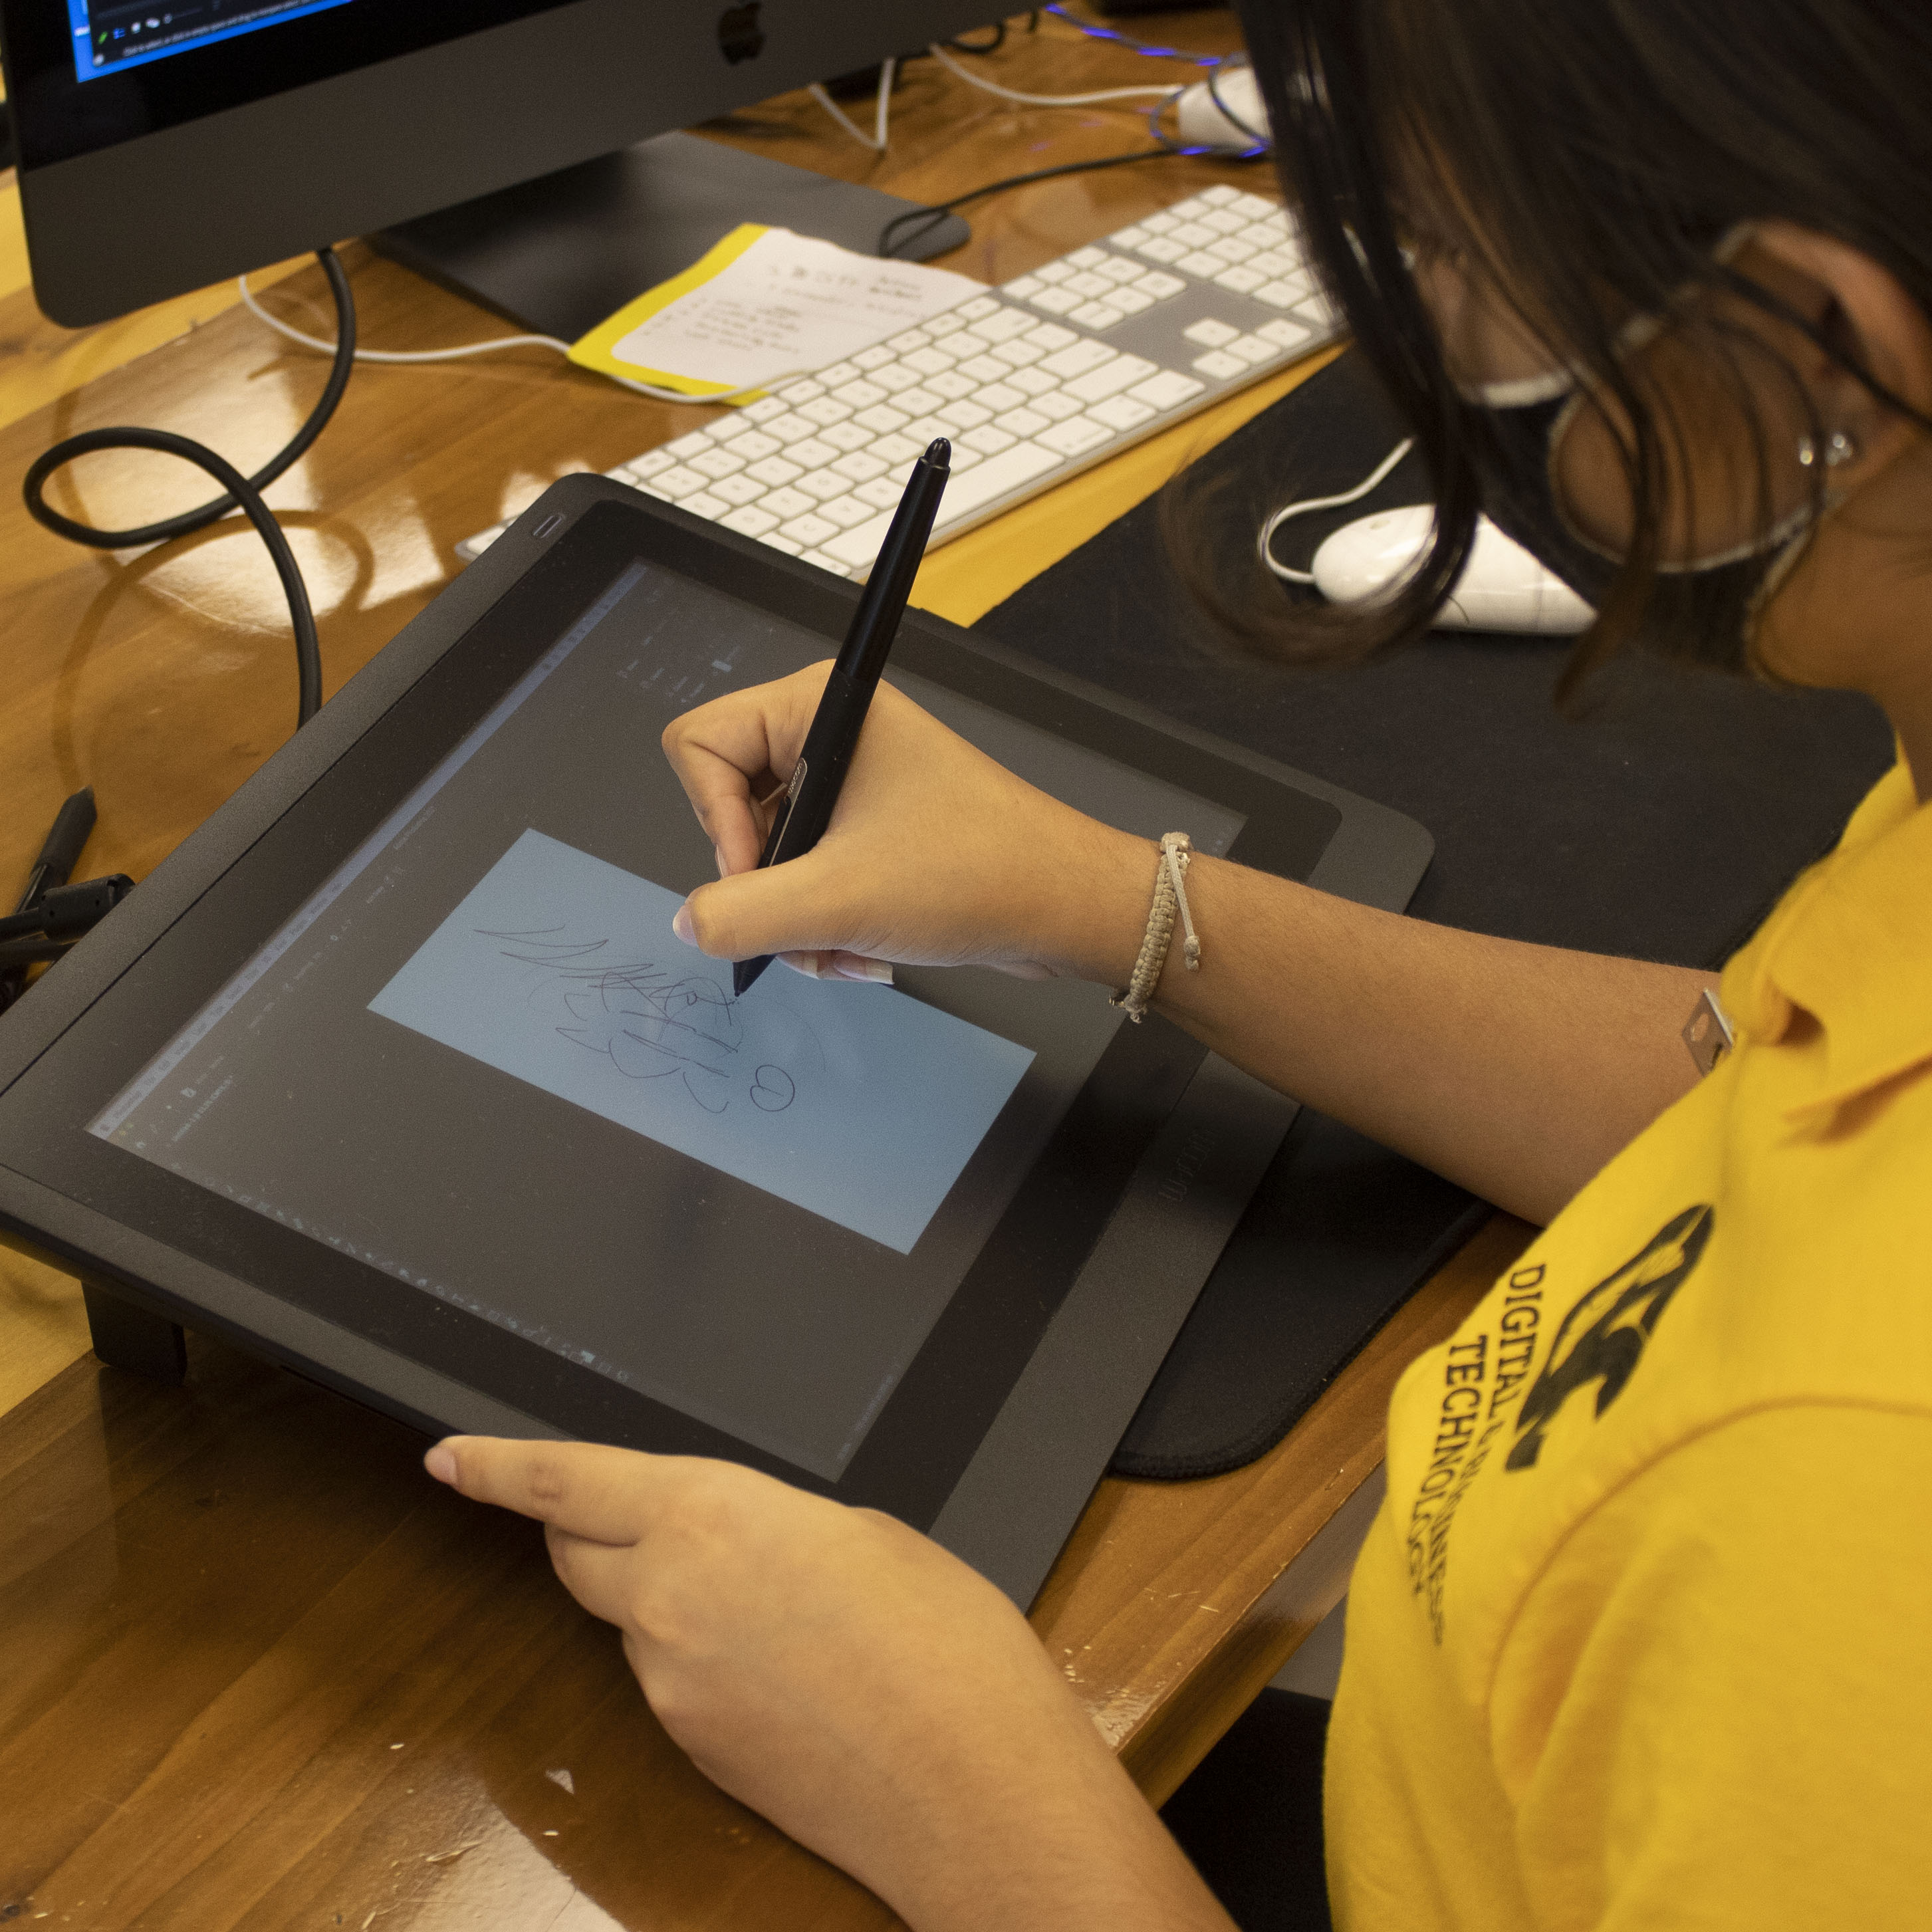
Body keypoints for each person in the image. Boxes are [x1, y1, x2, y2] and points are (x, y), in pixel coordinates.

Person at [421, 1, 1932, 1924]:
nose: (1434, 342)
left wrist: (970, 1781)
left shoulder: (1852, 1511)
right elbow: (1754, 1104)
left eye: (1446, 260)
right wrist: (1103, 900)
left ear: (1818, 350)